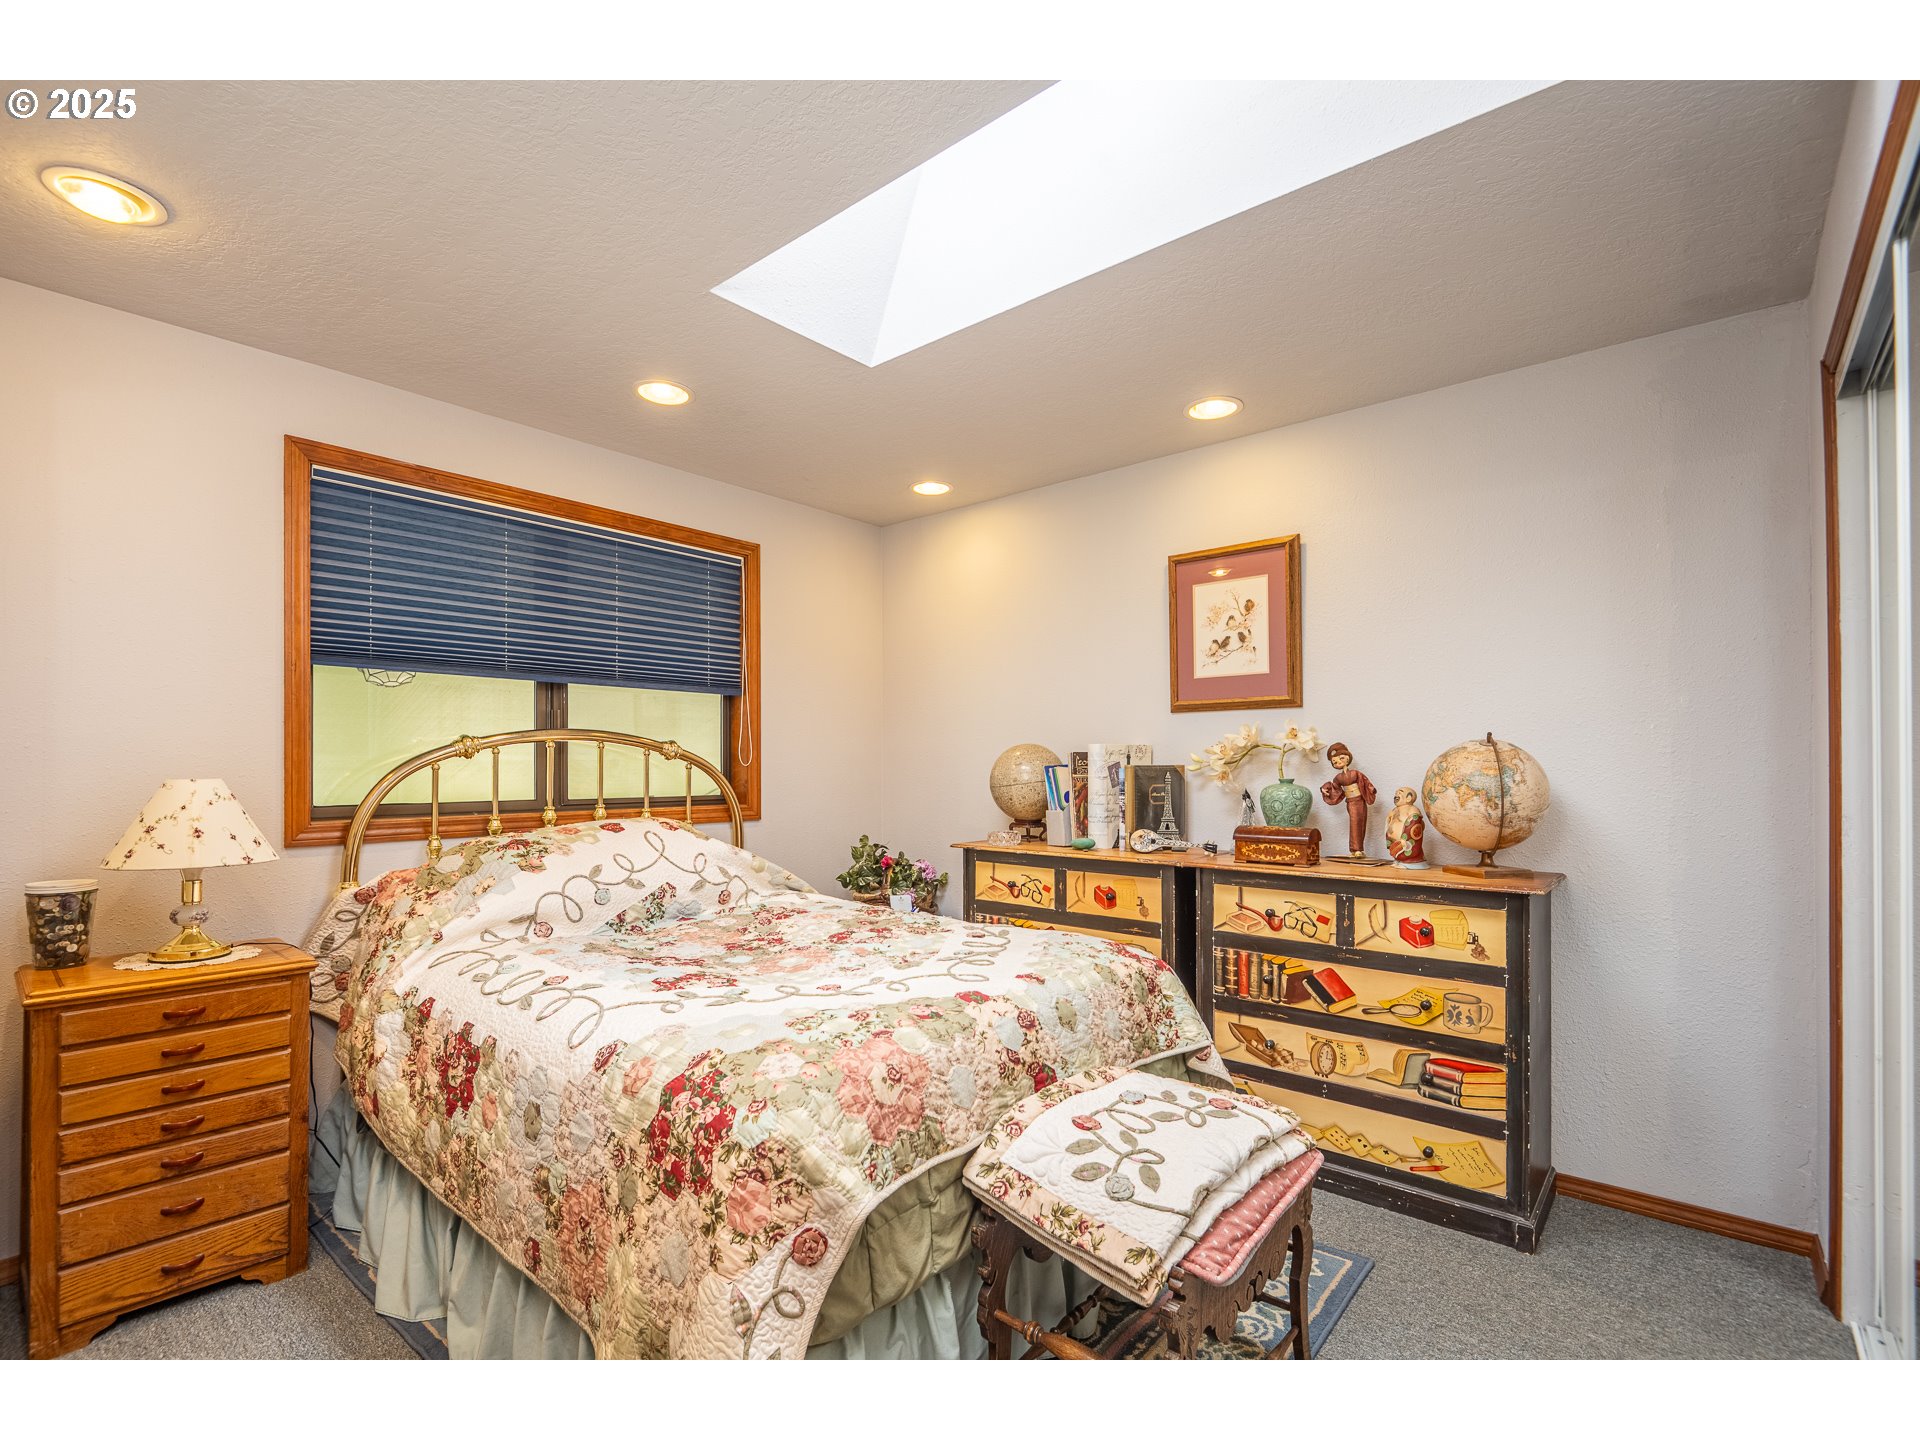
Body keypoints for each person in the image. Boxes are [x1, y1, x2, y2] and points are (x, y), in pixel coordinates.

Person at [1319, 742, 1377, 858]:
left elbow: (1366, 782)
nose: (1338, 762)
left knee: (1360, 823)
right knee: (1354, 823)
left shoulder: (1356, 773)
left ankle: (1358, 849)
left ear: (1347, 758)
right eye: (1335, 762)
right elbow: (1334, 787)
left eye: (1341, 758)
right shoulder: (1338, 778)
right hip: (1350, 802)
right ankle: (1355, 850)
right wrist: (1325, 789)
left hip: (1360, 800)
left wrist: (1371, 789)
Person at [1385, 786, 1428, 867]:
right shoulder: (1394, 810)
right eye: (1396, 793)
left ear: (1408, 798)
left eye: (1400, 792)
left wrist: (1404, 839)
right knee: (1396, 851)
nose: (1396, 795)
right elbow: (1389, 822)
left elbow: (1415, 823)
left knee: (1407, 849)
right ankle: (1399, 860)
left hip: (1405, 841)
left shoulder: (1412, 809)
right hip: (1394, 842)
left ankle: (1409, 862)